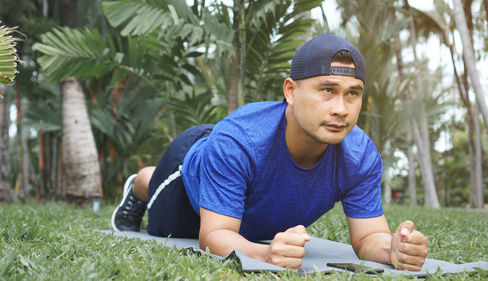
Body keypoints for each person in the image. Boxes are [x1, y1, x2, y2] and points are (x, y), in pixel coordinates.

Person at [111, 33, 428, 271]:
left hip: (244, 161)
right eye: (327, 90)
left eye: (352, 94)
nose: (341, 109)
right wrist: (264, 254)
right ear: (291, 91)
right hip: (191, 169)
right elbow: (216, 235)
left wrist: (392, 250)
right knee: (174, 229)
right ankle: (141, 183)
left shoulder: (360, 157)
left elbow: (368, 238)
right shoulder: (237, 143)